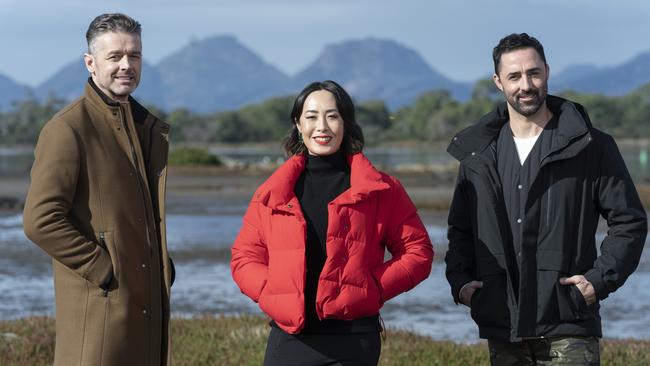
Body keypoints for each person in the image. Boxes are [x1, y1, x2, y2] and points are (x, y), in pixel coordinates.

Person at [445, 33, 647, 365]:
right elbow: (461, 230)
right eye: (514, 76)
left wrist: (599, 281)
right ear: (498, 81)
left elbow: (630, 222)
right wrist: (462, 283)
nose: (526, 84)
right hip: (503, 327)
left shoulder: (592, 146)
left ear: (547, 72)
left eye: (533, 73)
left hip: (569, 325)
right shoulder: (478, 155)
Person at [231, 80, 433, 365]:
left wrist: (373, 286)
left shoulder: (382, 189)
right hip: (290, 339)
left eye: (332, 115)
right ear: (298, 125)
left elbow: (418, 252)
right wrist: (270, 291)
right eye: (311, 117)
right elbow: (244, 257)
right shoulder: (272, 192)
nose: (322, 126)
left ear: (346, 123)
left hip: (355, 341)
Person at [23, 13, 174, 366]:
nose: (126, 65)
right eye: (115, 57)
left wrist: (159, 264)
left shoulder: (144, 127)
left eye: (134, 55)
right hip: (99, 312)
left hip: (143, 310)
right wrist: (103, 268)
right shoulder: (67, 129)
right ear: (90, 63)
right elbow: (39, 220)